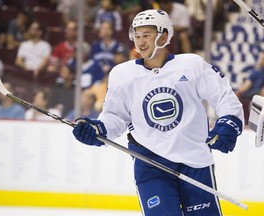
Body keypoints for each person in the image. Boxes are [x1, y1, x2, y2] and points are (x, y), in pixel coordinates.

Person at [72, 9, 244, 215]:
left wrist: (229, 123)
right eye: (137, 36)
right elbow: (115, 117)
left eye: (146, 35)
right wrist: (98, 128)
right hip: (151, 163)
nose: (140, 42)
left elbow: (224, 97)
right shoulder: (122, 74)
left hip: (194, 161)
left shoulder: (191, 65)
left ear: (163, 37)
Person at [235, 51, 264, 124]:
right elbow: (246, 85)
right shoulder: (257, 73)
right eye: (261, 59)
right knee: (238, 98)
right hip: (252, 95)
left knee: (255, 101)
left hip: (259, 97)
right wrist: (237, 93)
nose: (261, 61)